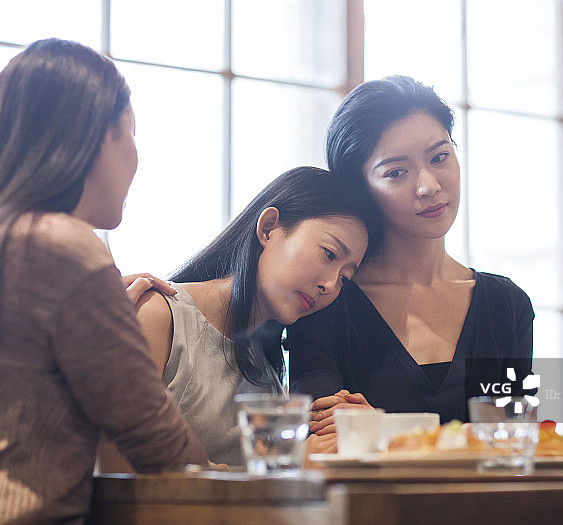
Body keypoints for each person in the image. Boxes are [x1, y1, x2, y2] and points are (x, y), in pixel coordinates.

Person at [0, 38, 207, 525]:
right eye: (132, 133)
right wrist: (225, 477)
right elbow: (154, 438)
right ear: (101, 135)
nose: (137, 160)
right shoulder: (63, 245)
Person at [285, 76, 535, 434]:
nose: (428, 186)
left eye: (440, 157)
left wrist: (384, 430)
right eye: (396, 172)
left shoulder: (506, 305)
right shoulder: (327, 299)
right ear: (361, 188)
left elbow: (514, 440)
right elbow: (326, 436)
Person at [98, 166, 381, 469]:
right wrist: (288, 465)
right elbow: (119, 478)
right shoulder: (156, 315)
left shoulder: (265, 369)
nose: (330, 285)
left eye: (345, 278)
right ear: (269, 227)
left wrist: (363, 433)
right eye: (329, 253)